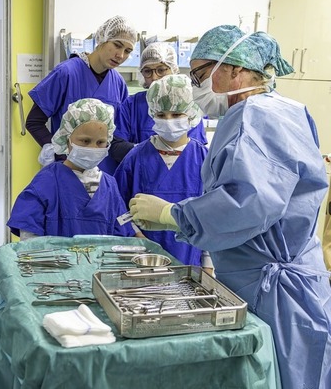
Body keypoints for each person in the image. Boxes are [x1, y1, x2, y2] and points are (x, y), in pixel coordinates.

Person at [129, 25, 331, 389]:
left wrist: (172, 215)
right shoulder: (288, 109)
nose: (194, 86)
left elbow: (245, 205)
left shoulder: (253, 118)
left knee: (285, 377)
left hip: (275, 290)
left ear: (234, 69)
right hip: (291, 276)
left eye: (201, 74)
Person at [114, 74, 211, 269]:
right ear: (152, 114)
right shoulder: (136, 157)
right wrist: (137, 237)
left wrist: (208, 261)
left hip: (189, 257)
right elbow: (117, 207)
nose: (168, 121)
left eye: (176, 115)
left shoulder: (205, 159)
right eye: (161, 115)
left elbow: (212, 215)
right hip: (142, 258)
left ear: (191, 115)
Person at [8, 98, 139, 239]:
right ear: (67, 140)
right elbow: (28, 233)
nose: (93, 148)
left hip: (100, 260)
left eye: (101, 142)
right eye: (85, 141)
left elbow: (124, 227)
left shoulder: (109, 185)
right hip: (57, 260)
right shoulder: (47, 181)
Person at [26, 15, 137, 172]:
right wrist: (56, 152)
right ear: (102, 39)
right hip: (69, 167)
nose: (121, 55)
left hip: (106, 172)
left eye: (128, 51)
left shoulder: (118, 83)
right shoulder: (66, 73)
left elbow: (117, 133)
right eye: (117, 45)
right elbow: (34, 122)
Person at [112, 42, 207, 165]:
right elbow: (117, 146)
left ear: (173, 69)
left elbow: (195, 150)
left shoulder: (188, 103)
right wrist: (153, 154)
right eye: (147, 71)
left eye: (161, 70)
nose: (154, 77)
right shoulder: (131, 105)